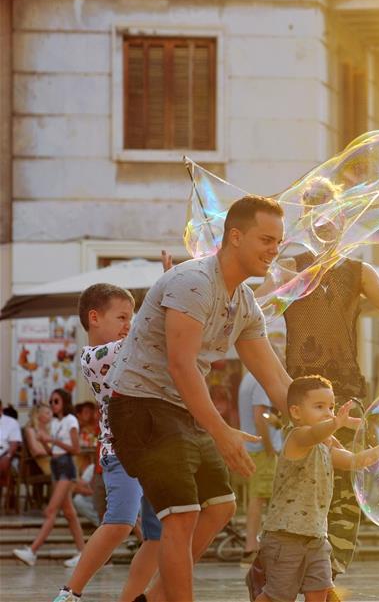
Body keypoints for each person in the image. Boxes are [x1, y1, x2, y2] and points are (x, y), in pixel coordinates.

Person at [107, 196, 294, 602]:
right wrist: (223, 433)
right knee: (183, 516)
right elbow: (181, 365)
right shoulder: (193, 282)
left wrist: (316, 423)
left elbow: (276, 379)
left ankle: (155, 599)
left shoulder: (244, 303)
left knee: (222, 507)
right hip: (140, 404)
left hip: (180, 409)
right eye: (266, 239)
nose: (274, 251)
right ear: (235, 236)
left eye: (278, 242)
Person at [280, 176, 379, 577]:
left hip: (343, 392)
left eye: (332, 213)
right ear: (306, 219)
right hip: (299, 394)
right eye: (315, 212)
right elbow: (255, 308)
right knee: (303, 480)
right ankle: (297, 564)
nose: (324, 221)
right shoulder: (288, 269)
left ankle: (329, 572)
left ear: (344, 218)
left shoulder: (358, 271)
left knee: (343, 486)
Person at [53, 282, 165, 602]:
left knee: (157, 536)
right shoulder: (94, 356)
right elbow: (145, 336)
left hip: (153, 449)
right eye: (121, 317)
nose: (128, 325)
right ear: (94, 318)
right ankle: (70, 592)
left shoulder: (130, 346)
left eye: (131, 318)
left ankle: (130, 599)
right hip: (121, 450)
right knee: (120, 522)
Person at [251, 375, 379, 602]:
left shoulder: (327, 448)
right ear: (296, 413)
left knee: (319, 593)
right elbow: (314, 434)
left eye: (331, 407)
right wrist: (336, 423)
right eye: (319, 406)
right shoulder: (297, 437)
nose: (328, 412)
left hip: (316, 537)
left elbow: (355, 460)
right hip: (285, 537)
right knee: (279, 597)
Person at [14, 388, 85, 567]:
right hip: (56, 465)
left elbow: (76, 449)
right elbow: (51, 451)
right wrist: (45, 440)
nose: (52, 405)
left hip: (66, 466)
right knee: (69, 513)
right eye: (51, 401)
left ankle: (32, 551)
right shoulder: (55, 423)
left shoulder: (71, 421)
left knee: (50, 511)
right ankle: (83, 553)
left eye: (56, 401)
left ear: (64, 402)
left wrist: (51, 441)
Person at [237, 371, 284, 568]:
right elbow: (259, 417)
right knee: (261, 498)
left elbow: (264, 416)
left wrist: (278, 423)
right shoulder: (261, 379)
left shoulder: (248, 377)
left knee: (259, 496)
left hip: (254, 448)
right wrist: (270, 448)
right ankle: (252, 548)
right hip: (261, 449)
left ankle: (254, 546)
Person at [22, 402, 52, 476]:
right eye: (47, 413)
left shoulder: (49, 431)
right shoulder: (31, 430)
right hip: (45, 463)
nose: (51, 415)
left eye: (51, 412)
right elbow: (36, 451)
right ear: (38, 415)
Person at [0, 400, 21, 486]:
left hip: (5, 456)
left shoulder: (11, 422)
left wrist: (8, 456)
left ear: (1, 407)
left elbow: (14, 444)